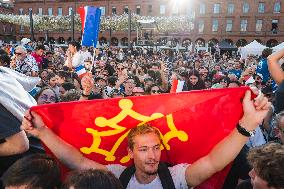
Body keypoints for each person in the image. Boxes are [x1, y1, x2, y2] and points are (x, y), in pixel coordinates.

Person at [21, 87, 270, 189]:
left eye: (155, 148)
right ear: (130, 152)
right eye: (143, 149)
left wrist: (247, 124)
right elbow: (78, 162)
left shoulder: (176, 177)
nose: (152, 156)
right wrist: (42, 132)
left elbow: (214, 162)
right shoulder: (118, 176)